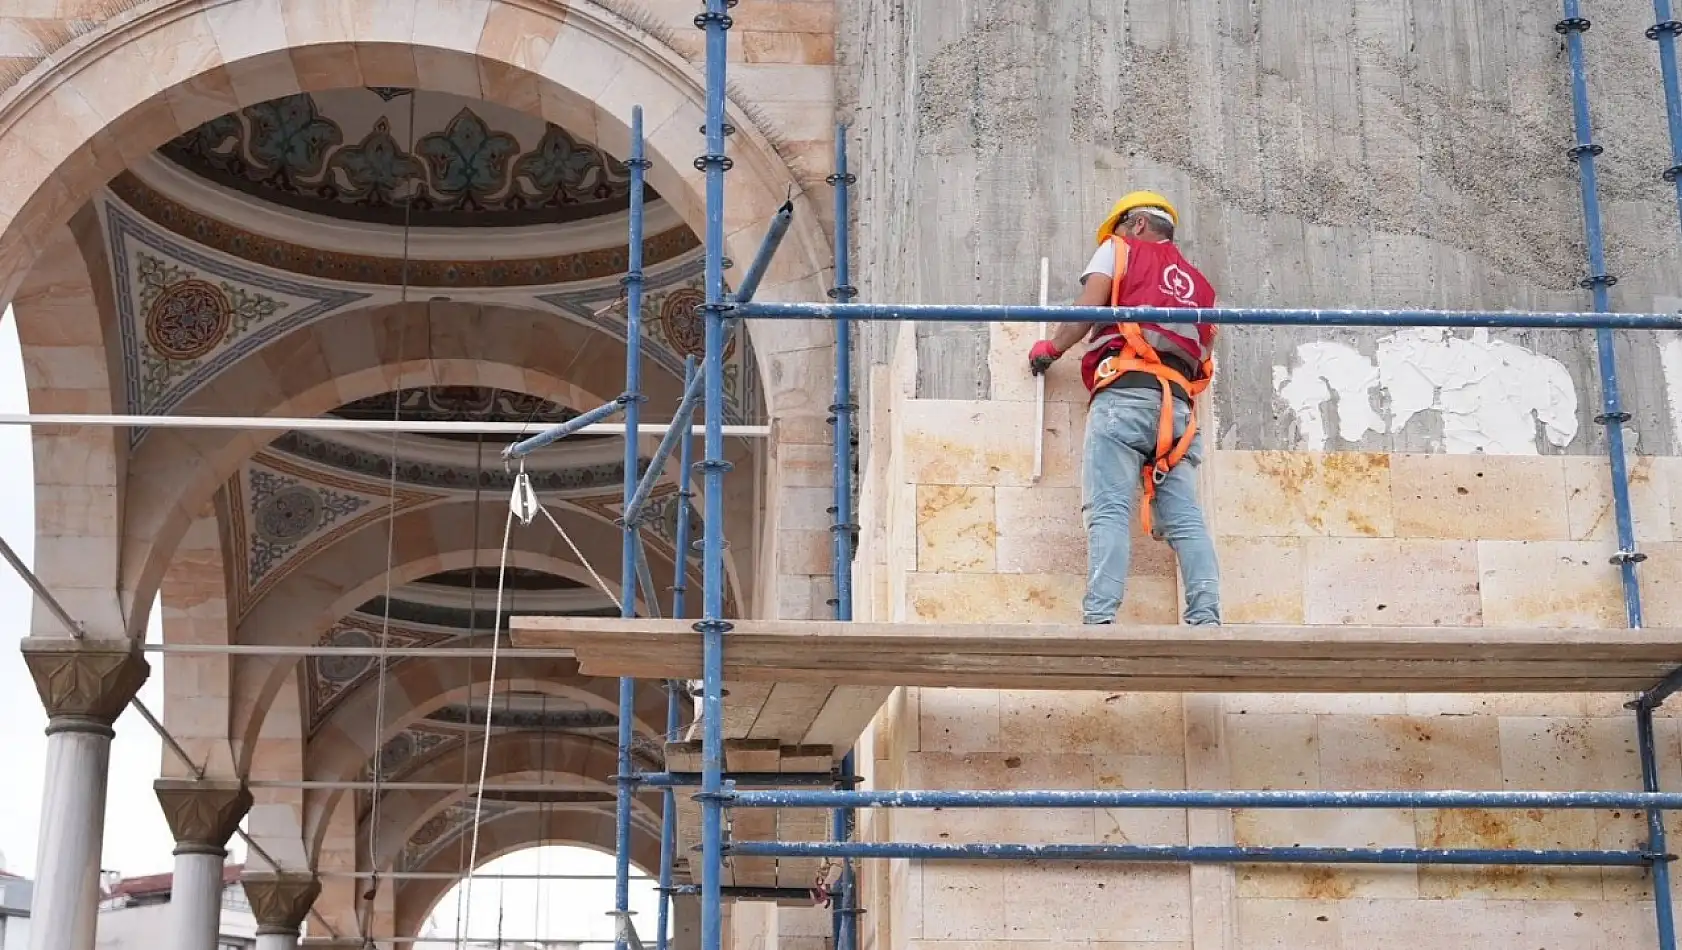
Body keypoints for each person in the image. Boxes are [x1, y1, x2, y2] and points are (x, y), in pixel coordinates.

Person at [1027, 191, 1221, 626]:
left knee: (1109, 510)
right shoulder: (1201, 286)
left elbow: (1088, 308)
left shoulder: (1119, 249)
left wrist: (1051, 348)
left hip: (1125, 394)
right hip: (1178, 411)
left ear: (1134, 225)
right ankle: (1206, 620)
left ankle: (1099, 621)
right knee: (1185, 519)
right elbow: (1203, 352)